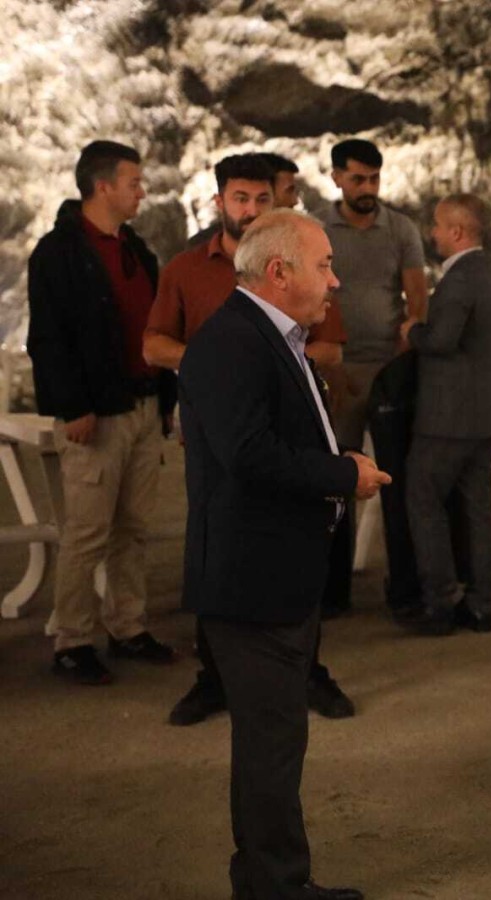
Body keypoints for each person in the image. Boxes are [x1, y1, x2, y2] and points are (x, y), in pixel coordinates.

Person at [178, 208, 389, 900]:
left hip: (275, 572)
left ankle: (273, 882)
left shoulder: (269, 336)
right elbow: (249, 455)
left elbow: (280, 439)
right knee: (269, 746)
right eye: (324, 265)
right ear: (279, 272)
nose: (335, 280)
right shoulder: (233, 342)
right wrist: (343, 474)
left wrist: (338, 466)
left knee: (274, 742)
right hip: (251, 579)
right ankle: (275, 888)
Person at [144, 153, 354, 725]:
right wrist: (217, 379)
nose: (252, 209)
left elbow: (327, 347)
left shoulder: (302, 267)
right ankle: (215, 677)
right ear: (220, 201)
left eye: (264, 199)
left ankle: (306, 672)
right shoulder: (189, 271)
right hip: (227, 445)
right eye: (241, 198)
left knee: (290, 568)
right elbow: (154, 344)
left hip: (283, 442)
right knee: (227, 548)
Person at [26, 140, 177, 685]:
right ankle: (72, 640)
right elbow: (48, 338)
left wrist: (165, 401)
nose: (142, 192)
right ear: (103, 185)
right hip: (97, 412)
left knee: (132, 527)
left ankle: (127, 626)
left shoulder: (135, 249)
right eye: (134, 183)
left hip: (143, 404)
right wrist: (74, 406)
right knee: (88, 531)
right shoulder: (58, 252)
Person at [316, 138, 428, 617]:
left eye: (374, 179)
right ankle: (332, 592)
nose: (367, 188)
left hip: (388, 371)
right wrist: (327, 365)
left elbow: (417, 299)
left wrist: (401, 363)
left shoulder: (400, 229)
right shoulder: (318, 230)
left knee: (398, 479)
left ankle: (404, 588)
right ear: (337, 177)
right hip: (336, 371)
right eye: (358, 178)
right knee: (335, 478)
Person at [398, 195, 491, 635]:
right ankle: (481, 606)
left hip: (448, 417)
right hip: (490, 414)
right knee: (478, 508)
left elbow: (441, 340)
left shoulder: (459, 280)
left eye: (437, 225)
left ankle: (439, 604)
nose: (432, 233)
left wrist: (413, 331)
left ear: (457, 232)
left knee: (424, 501)